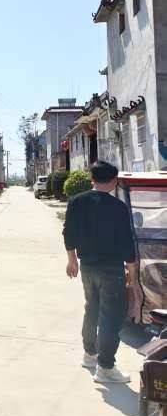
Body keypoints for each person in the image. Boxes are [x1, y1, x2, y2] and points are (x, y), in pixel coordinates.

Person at [63, 160, 140, 384]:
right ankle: (105, 367)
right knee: (111, 317)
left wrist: (71, 260)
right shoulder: (118, 207)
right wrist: (133, 274)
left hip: (87, 266)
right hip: (112, 269)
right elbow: (127, 242)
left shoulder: (77, 201)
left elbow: (68, 232)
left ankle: (90, 355)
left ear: (92, 179)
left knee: (92, 308)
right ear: (114, 181)